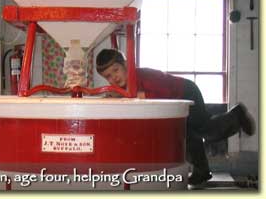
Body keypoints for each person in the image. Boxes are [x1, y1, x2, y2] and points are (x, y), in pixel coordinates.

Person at [96, 48, 255, 186]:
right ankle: (202, 172)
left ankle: (236, 115)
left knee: (205, 130)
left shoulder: (142, 75)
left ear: (126, 64)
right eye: (108, 76)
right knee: (188, 135)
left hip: (186, 91)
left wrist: (123, 96)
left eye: (116, 70)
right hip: (179, 95)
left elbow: (157, 95)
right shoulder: (124, 86)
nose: (114, 78)